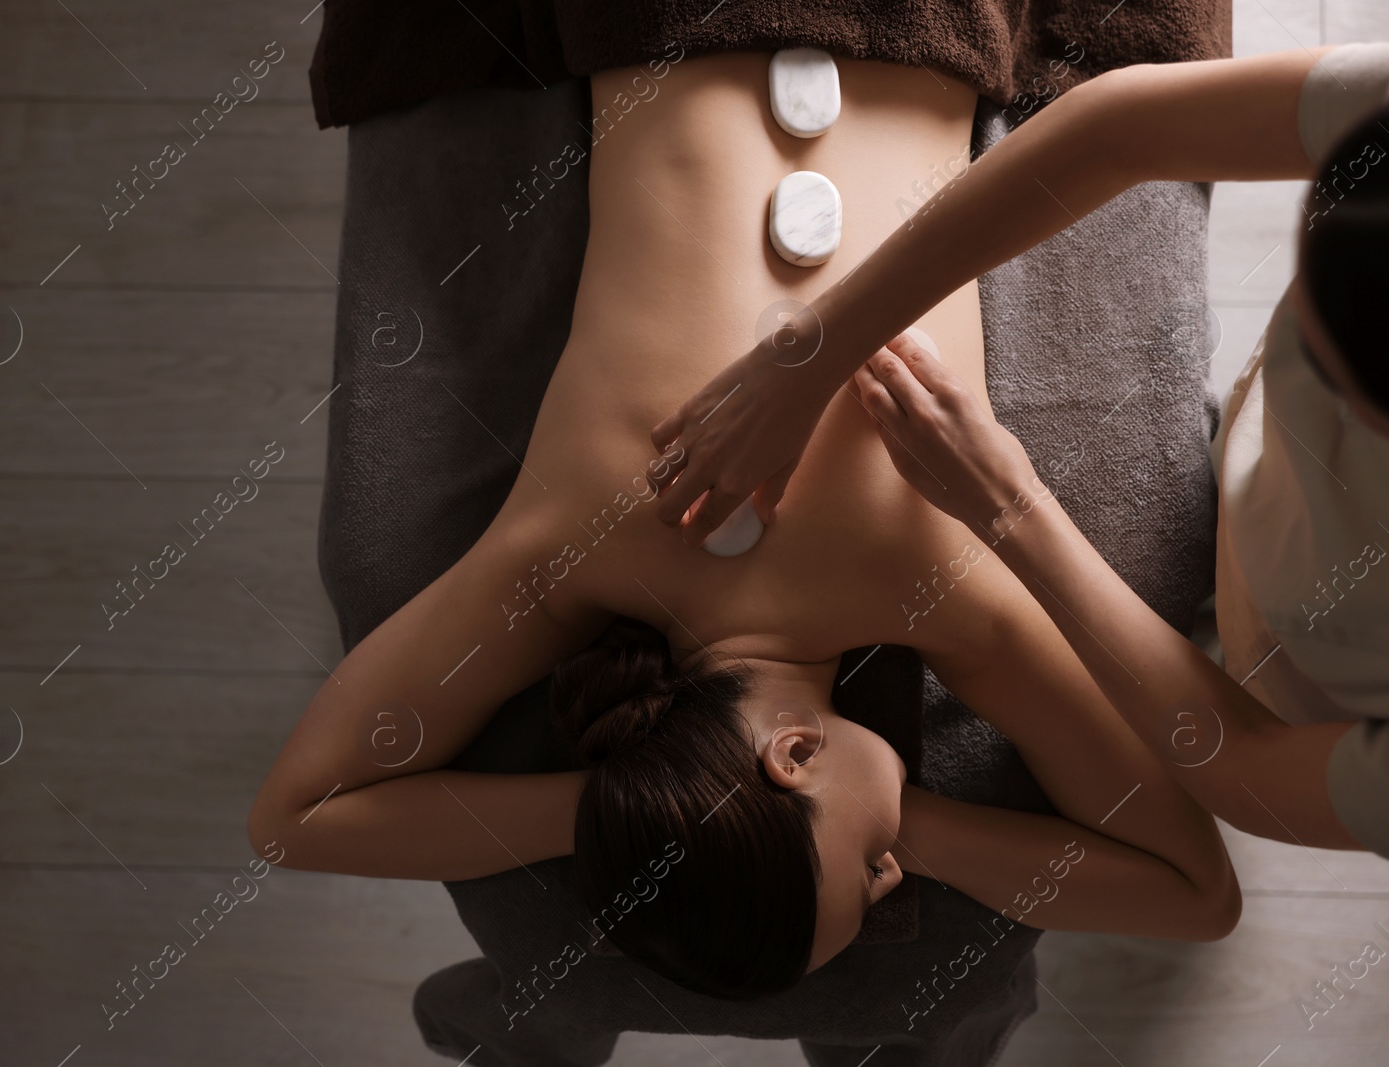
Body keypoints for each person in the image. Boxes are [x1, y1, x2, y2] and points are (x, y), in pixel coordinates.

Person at [248, 49, 1241, 1001]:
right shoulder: (568, 557)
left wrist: (910, 826)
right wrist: (628, 819)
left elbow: (1192, 893)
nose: (899, 873)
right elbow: (296, 818)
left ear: (795, 755)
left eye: (867, 872)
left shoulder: (941, 586)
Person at [652, 43, 1389, 857]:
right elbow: (1117, 132)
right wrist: (817, 348)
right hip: (1280, 525)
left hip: (1322, 664)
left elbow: (1247, 770)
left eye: (1329, 372)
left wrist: (1011, 504)